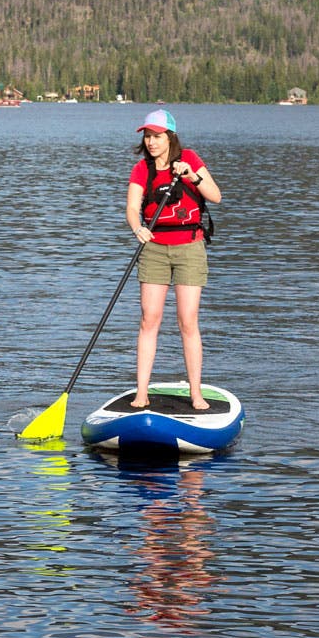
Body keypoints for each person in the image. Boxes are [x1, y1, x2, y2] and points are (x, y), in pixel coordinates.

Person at [126, 108, 222, 411]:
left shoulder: (190, 159)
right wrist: (137, 227)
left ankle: (196, 393)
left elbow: (215, 195)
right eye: (148, 137)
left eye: (157, 136)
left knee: (187, 321)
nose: (151, 142)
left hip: (189, 248)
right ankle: (142, 393)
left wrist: (192, 176)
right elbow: (131, 207)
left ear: (170, 137)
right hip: (154, 248)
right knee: (149, 320)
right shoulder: (142, 168)